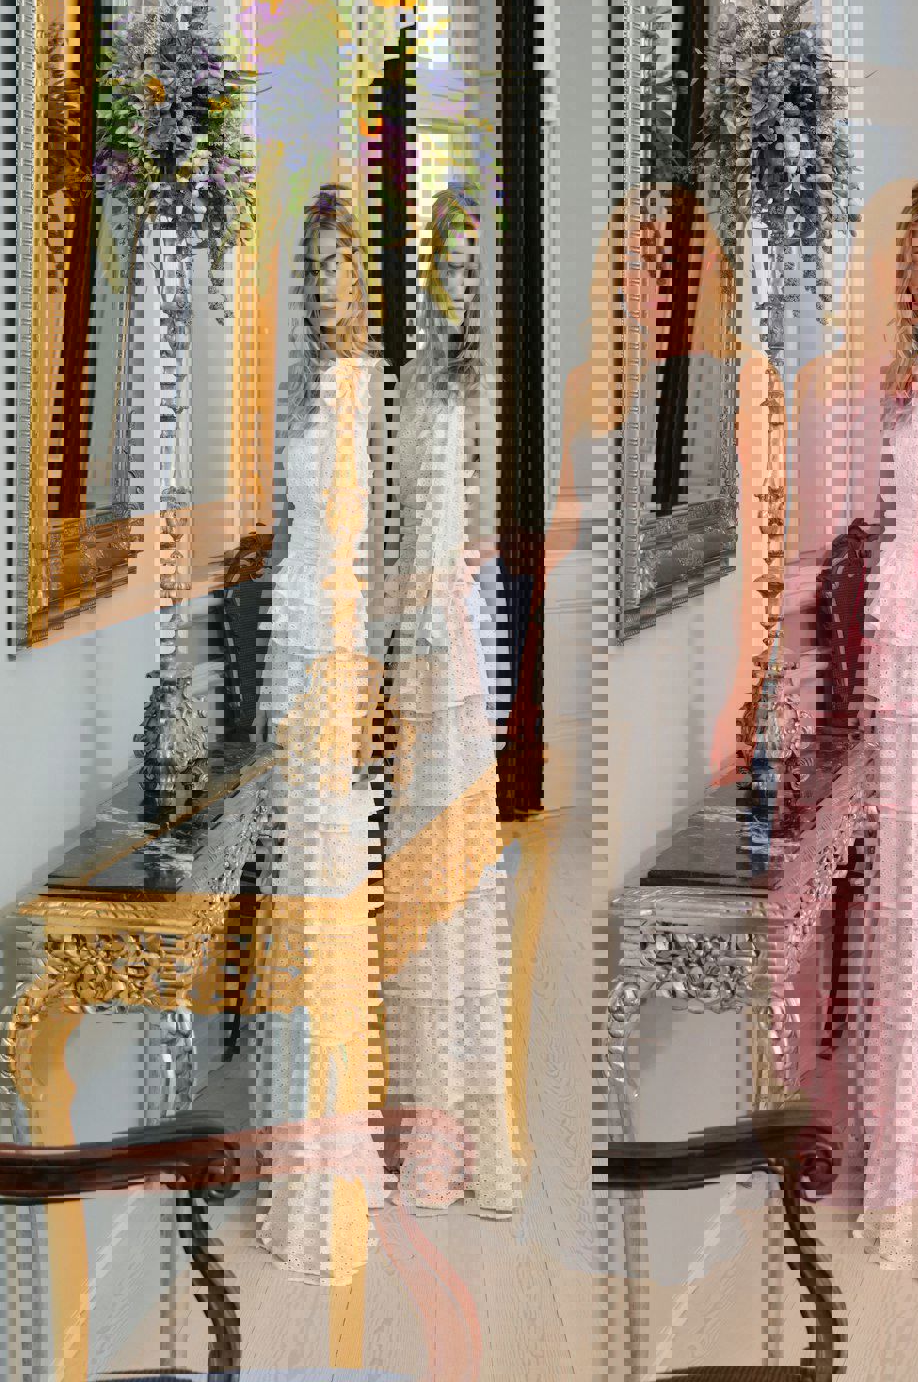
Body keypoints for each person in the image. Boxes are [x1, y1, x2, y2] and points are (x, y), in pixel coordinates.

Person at [768, 181, 918, 1283]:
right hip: (889, 659)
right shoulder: (890, 384)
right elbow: (873, 528)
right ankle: (885, 1157)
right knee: (888, 898)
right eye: (908, 258)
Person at [374, 184, 520, 1215]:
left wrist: (457, 597)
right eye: (448, 259)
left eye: (474, 264)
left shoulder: (482, 385)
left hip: (461, 653)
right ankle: (420, 1133)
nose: (459, 279)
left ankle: (466, 1134)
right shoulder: (405, 383)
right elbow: (391, 531)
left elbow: (483, 535)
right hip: (414, 651)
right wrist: (393, 653)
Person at [254, 184, 388, 1286]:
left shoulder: (360, 386)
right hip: (291, 659)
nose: (326, 286)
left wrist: (368, 677)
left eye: (341, 267)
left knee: (334, 905)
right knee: (298, 907)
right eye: (314, 269)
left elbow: (371, 547)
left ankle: (331, 1178)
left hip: (337, 659)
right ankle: (296, 1163)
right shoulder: (298, 385)